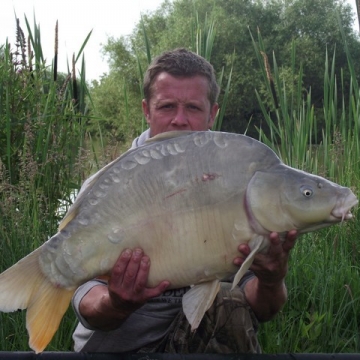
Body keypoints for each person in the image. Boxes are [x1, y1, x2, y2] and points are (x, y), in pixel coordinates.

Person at [72, 48, 297, 353]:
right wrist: (116, 303)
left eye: (193, 107)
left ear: (212, 114)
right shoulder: (110, 187)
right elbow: (88, 305)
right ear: (146, 110)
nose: (180, 120)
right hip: (119, 350)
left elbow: (261, 308)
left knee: (228, 302)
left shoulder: (237, 185)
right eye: (166, 107)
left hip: (198, 343)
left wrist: (272, 280)